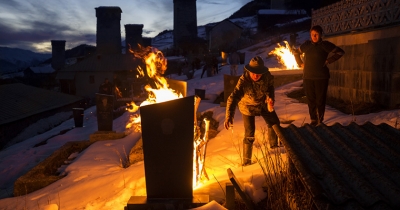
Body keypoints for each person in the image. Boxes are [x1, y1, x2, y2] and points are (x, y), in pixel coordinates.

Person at [224, 56, 282, 166]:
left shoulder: (267, 77)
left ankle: (274, 148)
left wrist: (270, 98)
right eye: (253, 73)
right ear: (249, 71)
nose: (256, 76)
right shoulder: (243, 81)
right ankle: (246, 161)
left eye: (258, 73)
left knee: (274, 123)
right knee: (249, 134)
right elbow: (233, 98)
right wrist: (229, 116)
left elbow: (270, 87)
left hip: (262, 104)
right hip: (247, 107)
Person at [294, 25, 345, 126]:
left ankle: (320, 119)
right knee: (310, 99)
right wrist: (300, 63)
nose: (314, 36)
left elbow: (340, 52)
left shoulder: (325, 45)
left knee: (320, 99)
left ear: (321, 34)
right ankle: (313, 119)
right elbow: (296, 52)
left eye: (316, 34)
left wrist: (328, 60)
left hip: (321, 77)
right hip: (308, 76)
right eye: (312, 35)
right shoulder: (307, 45)